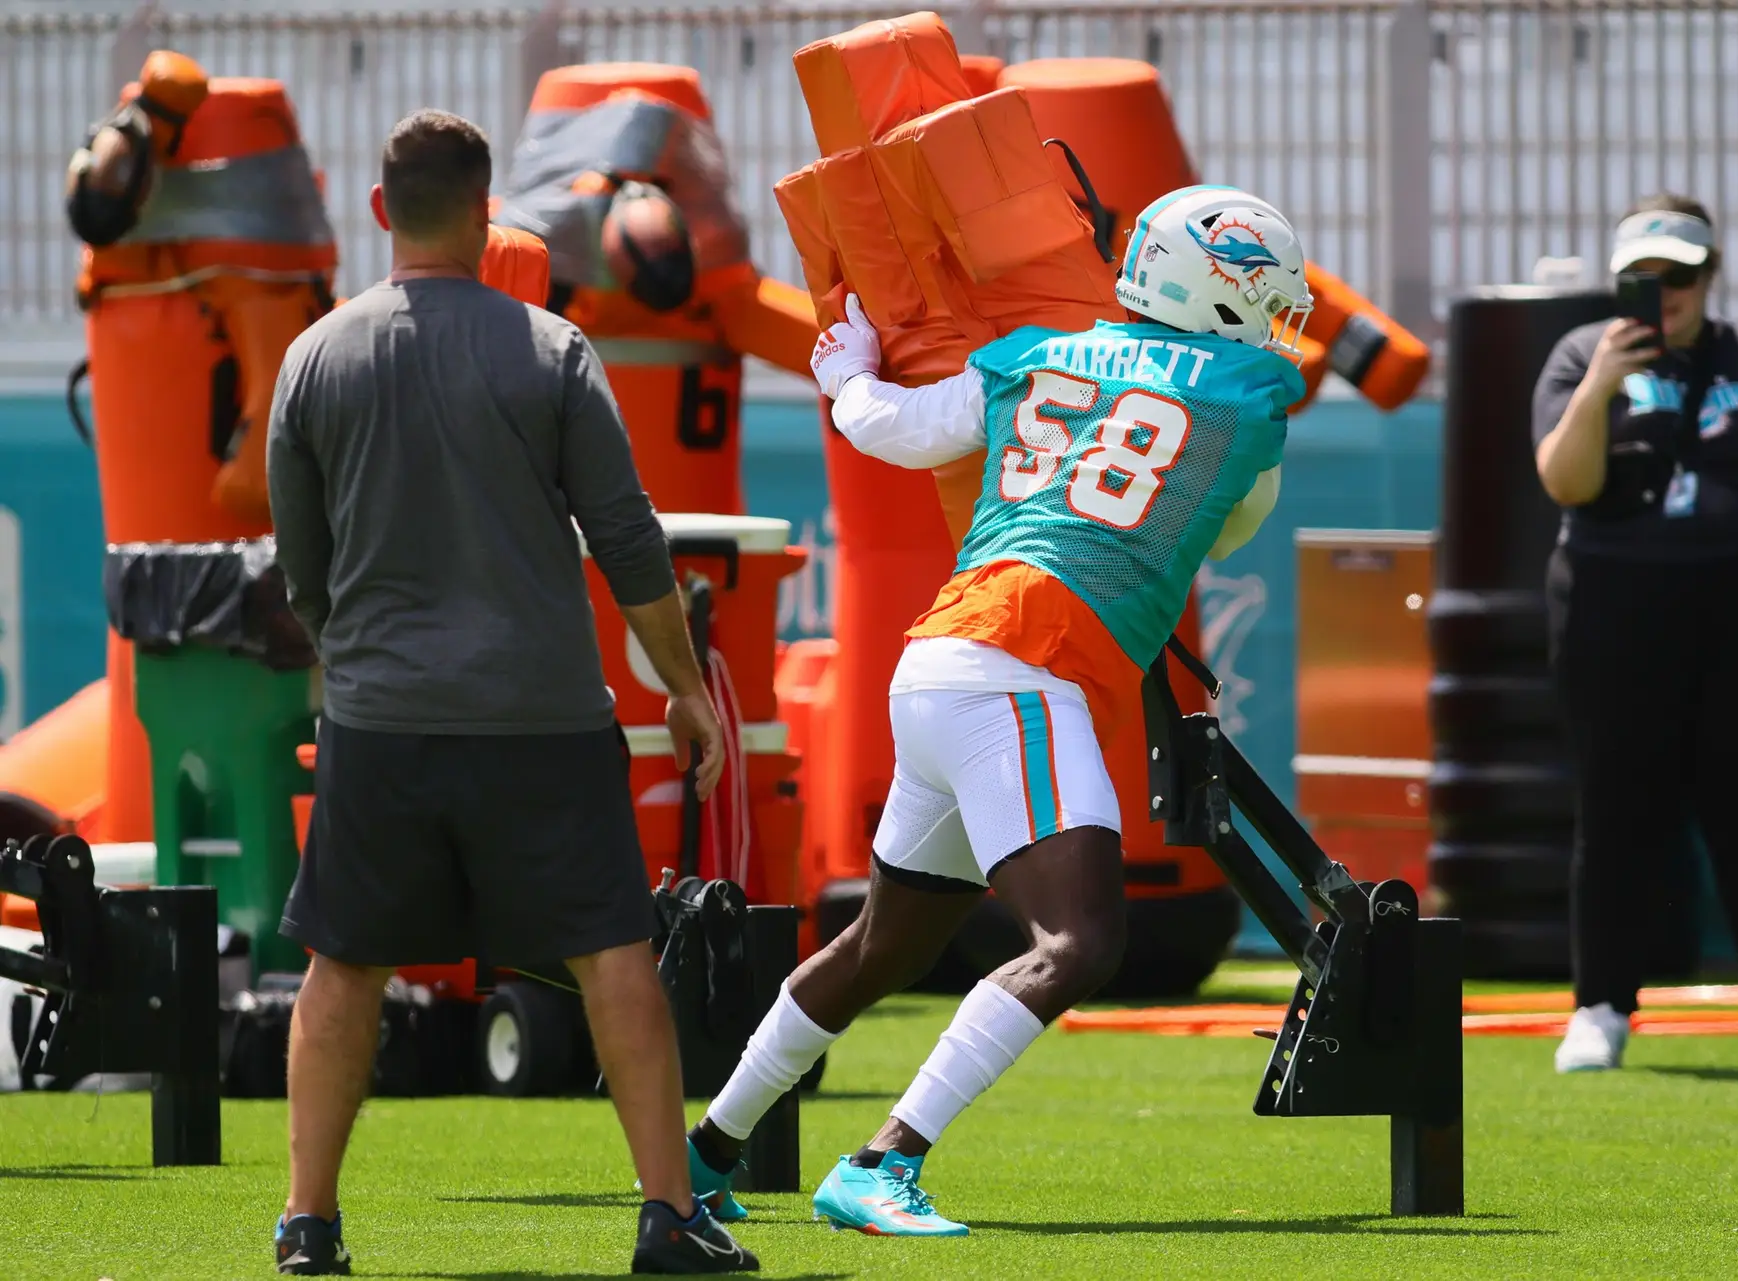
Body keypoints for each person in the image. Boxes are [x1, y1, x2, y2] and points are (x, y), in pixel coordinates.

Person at [675, 185, 1311, 1236]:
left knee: (885, 946)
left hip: (938, 660)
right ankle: (883, 1162)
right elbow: (1232, 526)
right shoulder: (1247, 392)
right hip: (1025, 669)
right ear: (1222, 290)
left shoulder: (1035, 353)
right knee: (1081, 940)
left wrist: (842, 376)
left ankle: (706, 1153)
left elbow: (900, 429)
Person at [266, 109, 757, 1275]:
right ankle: (668, 1216)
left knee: (344, 961)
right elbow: (629, 541)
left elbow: (300, 565)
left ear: (381, 211)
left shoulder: (314, 356)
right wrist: (685, 690)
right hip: (542, 716)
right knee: (613, 952)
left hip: (382, 723)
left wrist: (357, 662)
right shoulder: (553, 350)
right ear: (491, 218)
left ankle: (307, 1224)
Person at [1532, 194, 1738, 1074]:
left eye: (1678, 275)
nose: (1663, 292)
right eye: (1642, 278)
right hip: (1616, 605)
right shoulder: (1578, 356)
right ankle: (1600, 1005)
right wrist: (1603, 383)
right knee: (1616, 810)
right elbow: (1564, 482)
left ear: (1710, 274)